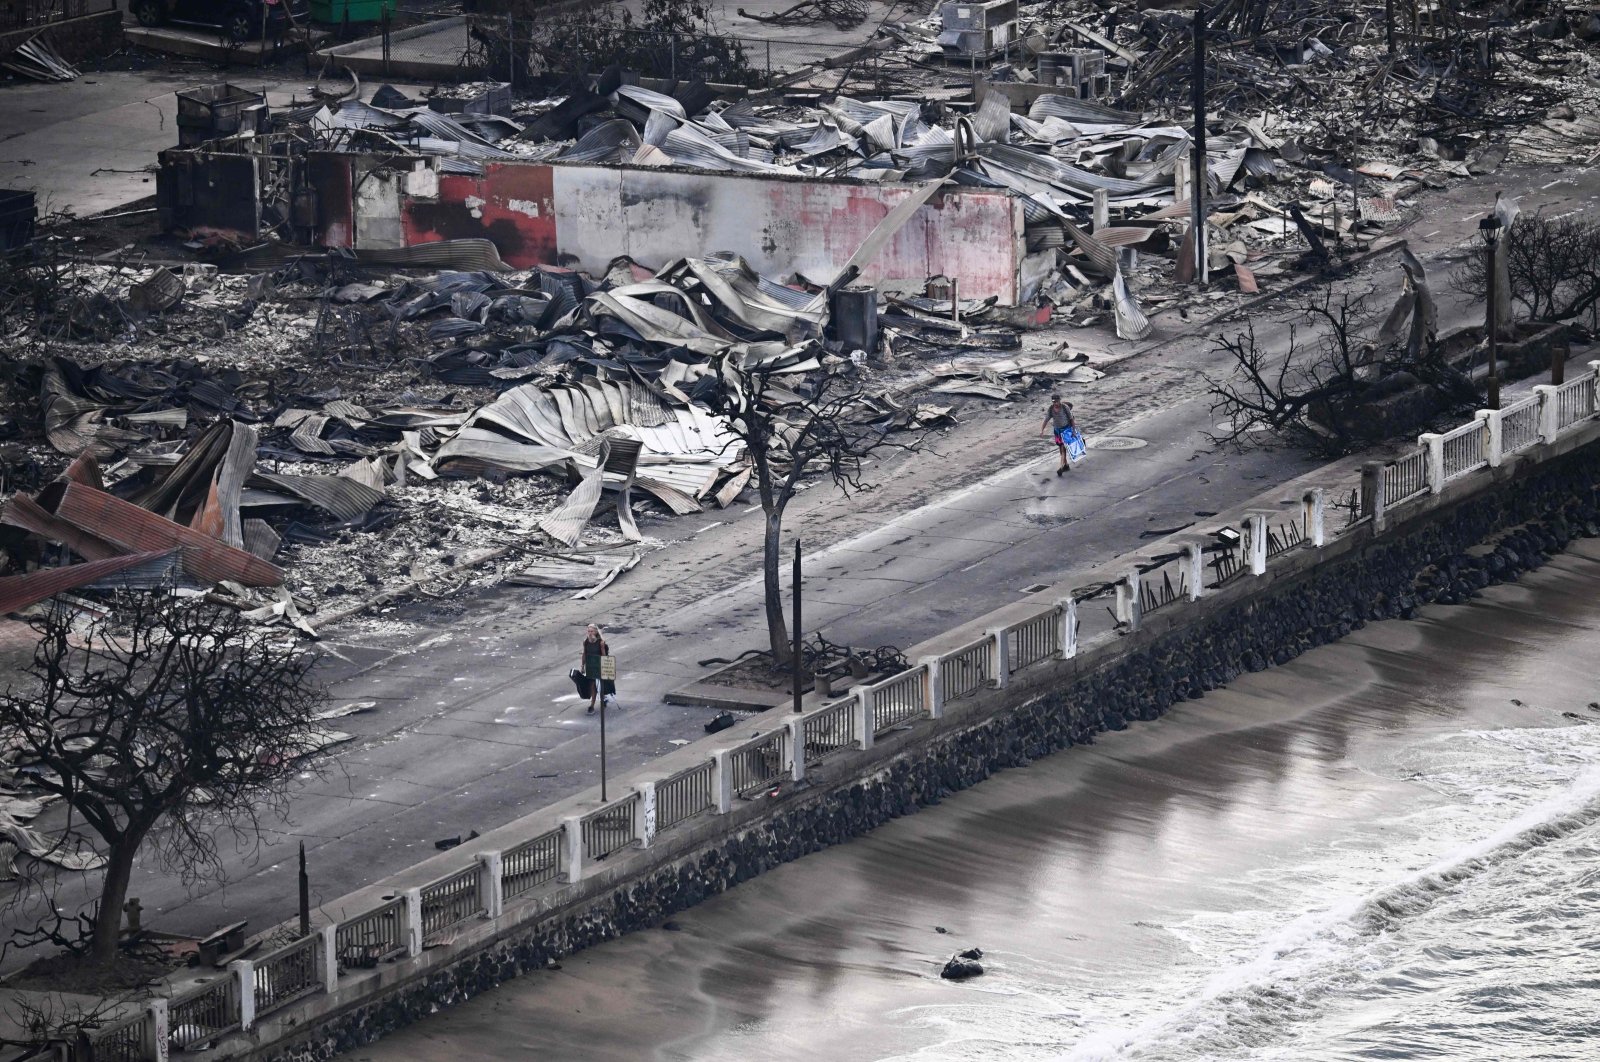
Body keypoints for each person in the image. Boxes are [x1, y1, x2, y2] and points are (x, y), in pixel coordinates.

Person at [1039, 395, 1079, 476]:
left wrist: (1074, 431)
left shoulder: (1065, 407)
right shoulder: (1051, 408)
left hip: (1066, 431)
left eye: (1057, 401)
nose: (1055, 403)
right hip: (1057, 431)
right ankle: (1066, 465)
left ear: (1059, 400)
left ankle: (1061, 467)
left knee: (1063, 448)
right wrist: (1042, 430)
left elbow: (1071, 419)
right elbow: (1046, 419)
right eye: (1054, 402)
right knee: (1061, 448)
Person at [581, 624, 608, 714]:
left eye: (592, 631)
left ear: (596, 632)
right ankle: (592, 705)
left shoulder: (601, 642)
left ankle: (604, 697)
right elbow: (584, 654)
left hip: (599, 665)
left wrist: (603, 648)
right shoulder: (586, 642)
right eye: (588, 631)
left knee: (601, 684)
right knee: (592, 685)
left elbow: (604, 656)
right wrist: (582, 666)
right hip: (590, 666)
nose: (590, 633)